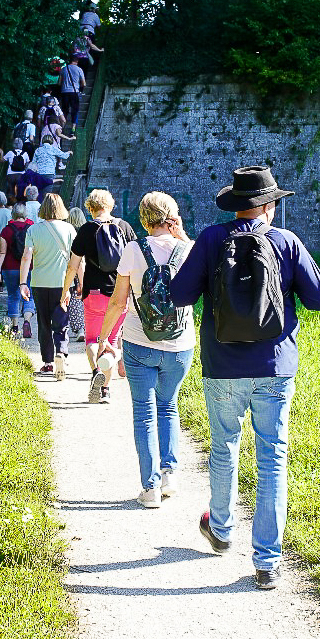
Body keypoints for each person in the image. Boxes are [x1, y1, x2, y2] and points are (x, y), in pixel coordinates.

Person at [168, 166, 320, 589]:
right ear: (267, 207)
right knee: (272, 456)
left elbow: (180, 294)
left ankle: (221, 530)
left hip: (222, 366)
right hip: (274, 367)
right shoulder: (285, 242)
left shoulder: (210, 239)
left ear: (239, 206)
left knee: (223, 448)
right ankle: (266, 562)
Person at [96, 192, 195, 507]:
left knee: (144, 411)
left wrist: (103, 337)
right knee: (169, 405)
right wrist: (183, 236)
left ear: (143, 219)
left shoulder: (133, 250)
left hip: (140, 341)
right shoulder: (189, 250)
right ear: (173, 217)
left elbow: (118, 301)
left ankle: (149, 488)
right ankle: (170, 474)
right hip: (181, 344)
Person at [62, 189, 137, 404]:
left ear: (90, 207)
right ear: (111, 205)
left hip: (93, 294)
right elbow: (137, 261)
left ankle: (96, 371)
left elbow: (72, 266)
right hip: (119, 294)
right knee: (112, 340)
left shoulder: (86, 230)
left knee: (93, 339)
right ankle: (105, 389)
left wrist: (64, 291)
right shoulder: (125, 228)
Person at [19, 194, 76, 380]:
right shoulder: (69, 230)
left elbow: (27, 256)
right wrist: (80, 282)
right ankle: (61, 351)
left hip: (39, 283)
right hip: (63, 284)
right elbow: (77, 261)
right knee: (61, 321)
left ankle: (48, 363)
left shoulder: (33, 230)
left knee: (43, 323)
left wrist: (22, 283)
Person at [0, 202, 36, 339]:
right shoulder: (31, 229)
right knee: (28, 296)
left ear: (12, 214)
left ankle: (14, 327)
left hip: (10, 268)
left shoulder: (6, 230)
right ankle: (27, 321)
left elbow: (2, 252)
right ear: (25, 214)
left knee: (13, 296)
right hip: (29, 268)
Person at [64, 207, 89, 342]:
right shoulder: (86, 232)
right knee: (82, 300)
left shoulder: (68, 232)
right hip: (85, 269)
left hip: (70, 269)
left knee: (73, 299)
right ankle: (82, 328)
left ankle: (75, 327)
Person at [21, 134, 71, 201]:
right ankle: (45, 208)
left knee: (39, 193)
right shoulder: (53, 149)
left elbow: (33, 162)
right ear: (51, 141)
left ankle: (39, 207)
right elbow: (64, 156)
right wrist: (69, 152)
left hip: (39, 174)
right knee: (47, 194)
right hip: (50, 173)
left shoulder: (38, 150)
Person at [58, 56, 86, 132]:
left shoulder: (63, 69)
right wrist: (80, 89)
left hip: (64, 92)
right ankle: (73, 128)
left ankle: (62, 126)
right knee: (75, 110)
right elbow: (84, 84)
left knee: (65, 110)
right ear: (77, 62)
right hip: (74, 92)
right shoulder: (79, 69)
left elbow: (59, 83)